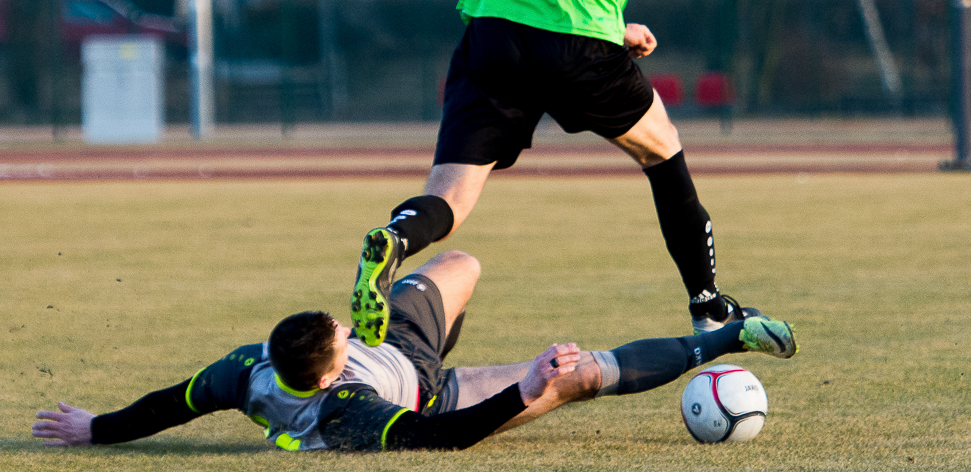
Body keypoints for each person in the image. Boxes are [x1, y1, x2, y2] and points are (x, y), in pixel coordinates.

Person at [352, 0, 757, 347]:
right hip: (571, 42)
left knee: (452, 196)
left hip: (493, 31)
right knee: (663, 151)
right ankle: (709, 306)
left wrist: (615, 26)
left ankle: (395, 239)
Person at [33, 250, 797, 453]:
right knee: (580, 373)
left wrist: (97, 427)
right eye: (339, 333)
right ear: (328, 375)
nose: (340, 326)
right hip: (427, 391)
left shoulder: (245, 369)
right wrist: (529, 386)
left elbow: (171, 403)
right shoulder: (350, 412)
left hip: (394, 342)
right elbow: (447, 437)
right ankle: (730, 335)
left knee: (462, 265)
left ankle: (398, 275)